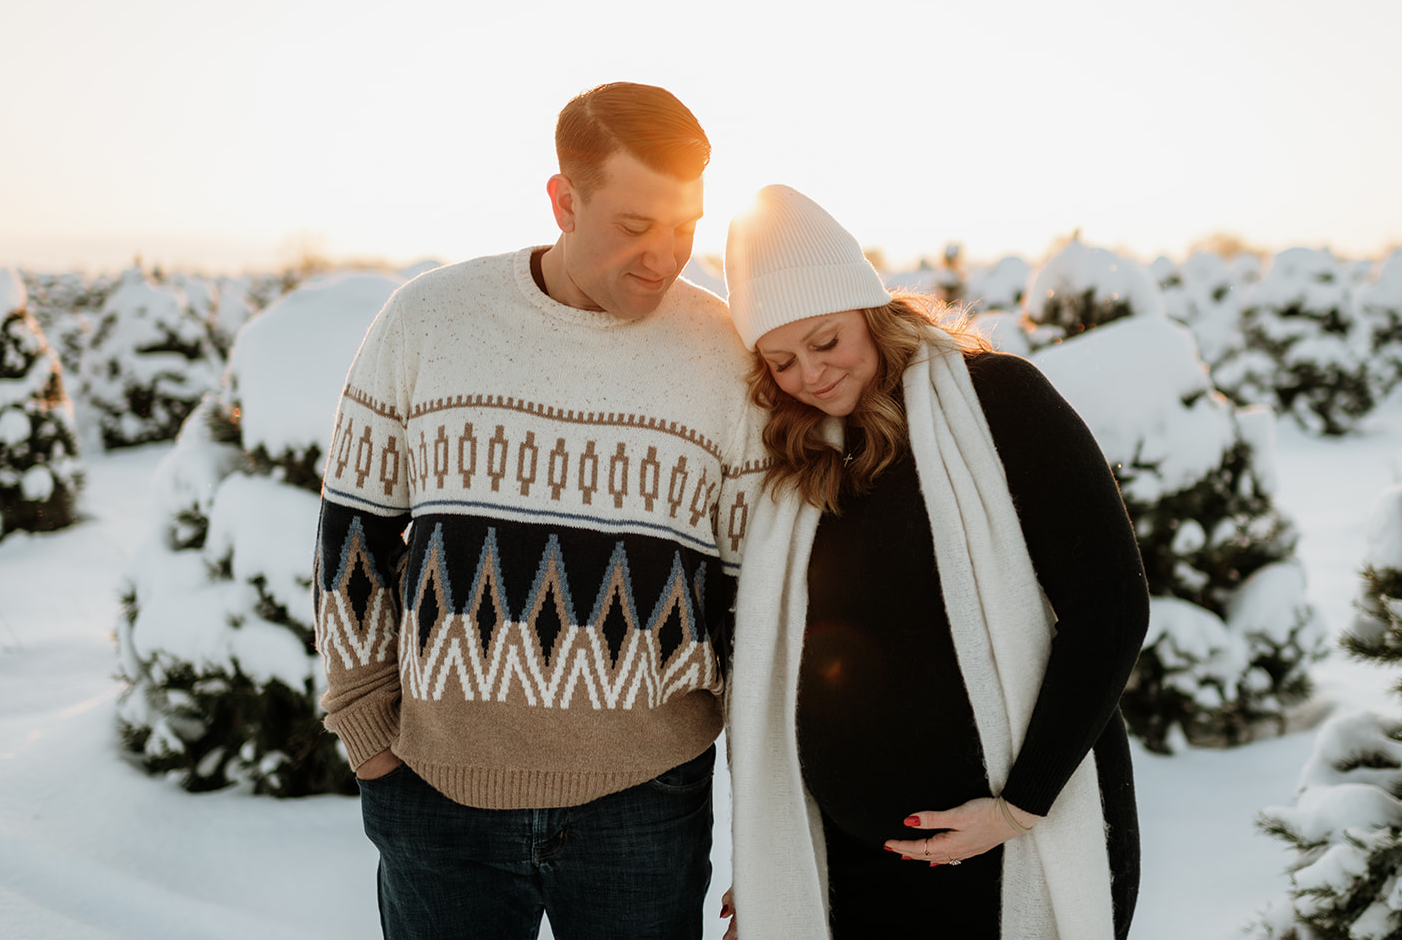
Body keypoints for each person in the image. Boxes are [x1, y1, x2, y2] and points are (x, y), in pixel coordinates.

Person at [312, 82, 766, 940]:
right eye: (636, 226)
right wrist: (369, 738)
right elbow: (354, 540)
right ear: (563, 198)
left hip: (647, 802)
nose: (666, 256)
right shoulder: (429, 320)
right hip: (438, 797)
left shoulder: (724, 354)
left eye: (686, 226)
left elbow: (753, 603)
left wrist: (767, 840)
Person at [718, 185, 1149, 940]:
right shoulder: (794, 461)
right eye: (780, 361)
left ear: (871, 310)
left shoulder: (1000, 402)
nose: (810, 375)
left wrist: (1018, 804)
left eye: (826, 341)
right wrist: (777, 863)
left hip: (1009, 843)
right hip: (854, 868)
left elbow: (1111, 607)